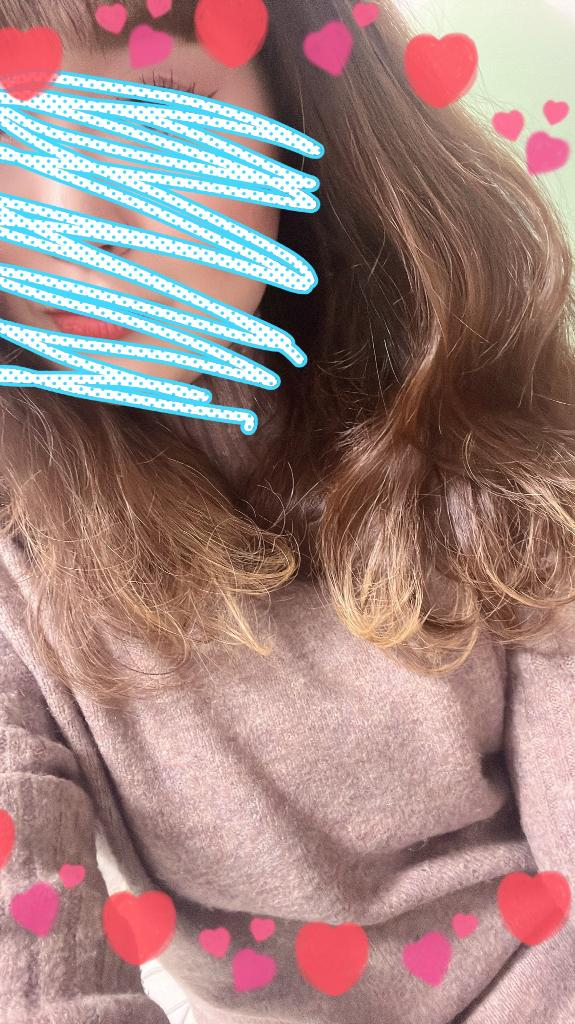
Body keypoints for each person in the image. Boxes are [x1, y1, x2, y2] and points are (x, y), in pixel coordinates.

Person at [0, 1, 574, 1022]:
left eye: (154, 108)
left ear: (300, 102)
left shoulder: (489, 428)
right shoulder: (19, 542)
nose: (79, 221)